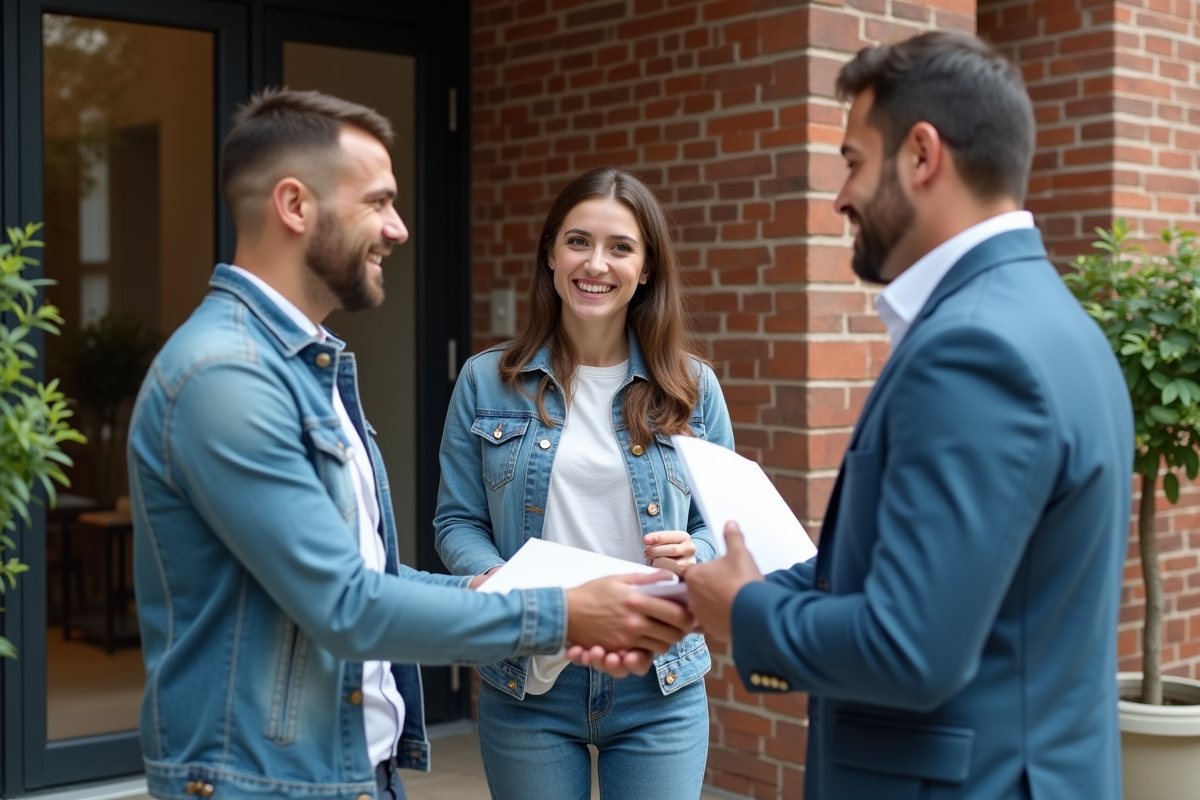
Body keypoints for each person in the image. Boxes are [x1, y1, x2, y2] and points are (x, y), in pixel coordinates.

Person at [127, 90, 695, 800]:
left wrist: (491, 589)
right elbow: (348, 605)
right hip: (265, 780)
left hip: (343, 769)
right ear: (295, 205)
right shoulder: (228, 376)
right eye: (378, 202)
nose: (398, 228)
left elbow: (362, 571)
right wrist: (563, 612)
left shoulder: (307, 366)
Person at [680, 31, 1133, 800]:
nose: (840, 197)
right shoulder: (1055, 320)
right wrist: (713, 589)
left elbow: (910, 647)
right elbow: (910, 573)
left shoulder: (974, 349)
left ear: (922, 155)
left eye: (854, 161)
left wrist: (748, 611)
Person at [433, 166, 734, 800]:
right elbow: (457, 521)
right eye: (578, 241)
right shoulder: (486, 381)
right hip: (529, 679)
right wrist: (502, 583)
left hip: (658, 682)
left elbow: (722, 528)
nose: (596, 264)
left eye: (620, 247)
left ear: (646, 269)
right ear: (550, 254)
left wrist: (697, 554)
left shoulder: (693, 388)